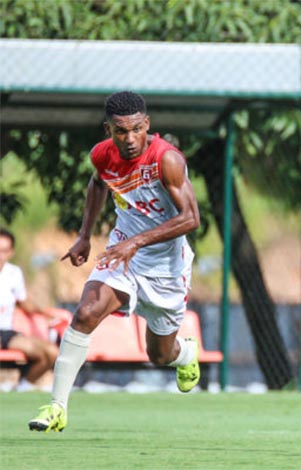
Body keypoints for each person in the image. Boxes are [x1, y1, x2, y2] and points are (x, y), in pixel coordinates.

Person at [29, 91, 201, 433]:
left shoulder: (167, 159)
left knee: (159, 355)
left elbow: (191, 218)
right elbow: (98, 184)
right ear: (109, 129)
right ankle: (57, 406)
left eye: (136, 129)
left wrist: (138, 242)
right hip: (123, 251)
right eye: (121, 131)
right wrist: (84, 235)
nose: (130, 138)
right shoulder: (102, 155)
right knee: (87, 312)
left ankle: (185, 353)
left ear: (147, 125)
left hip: (167, 268)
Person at [0, 228, 59, 391]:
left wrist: (45, 314)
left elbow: (23, 302)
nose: (0, 255)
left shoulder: (13, 273)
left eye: (4, 251)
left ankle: (23, 386)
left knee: (51, 352)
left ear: (11, 252)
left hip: (6, 332)